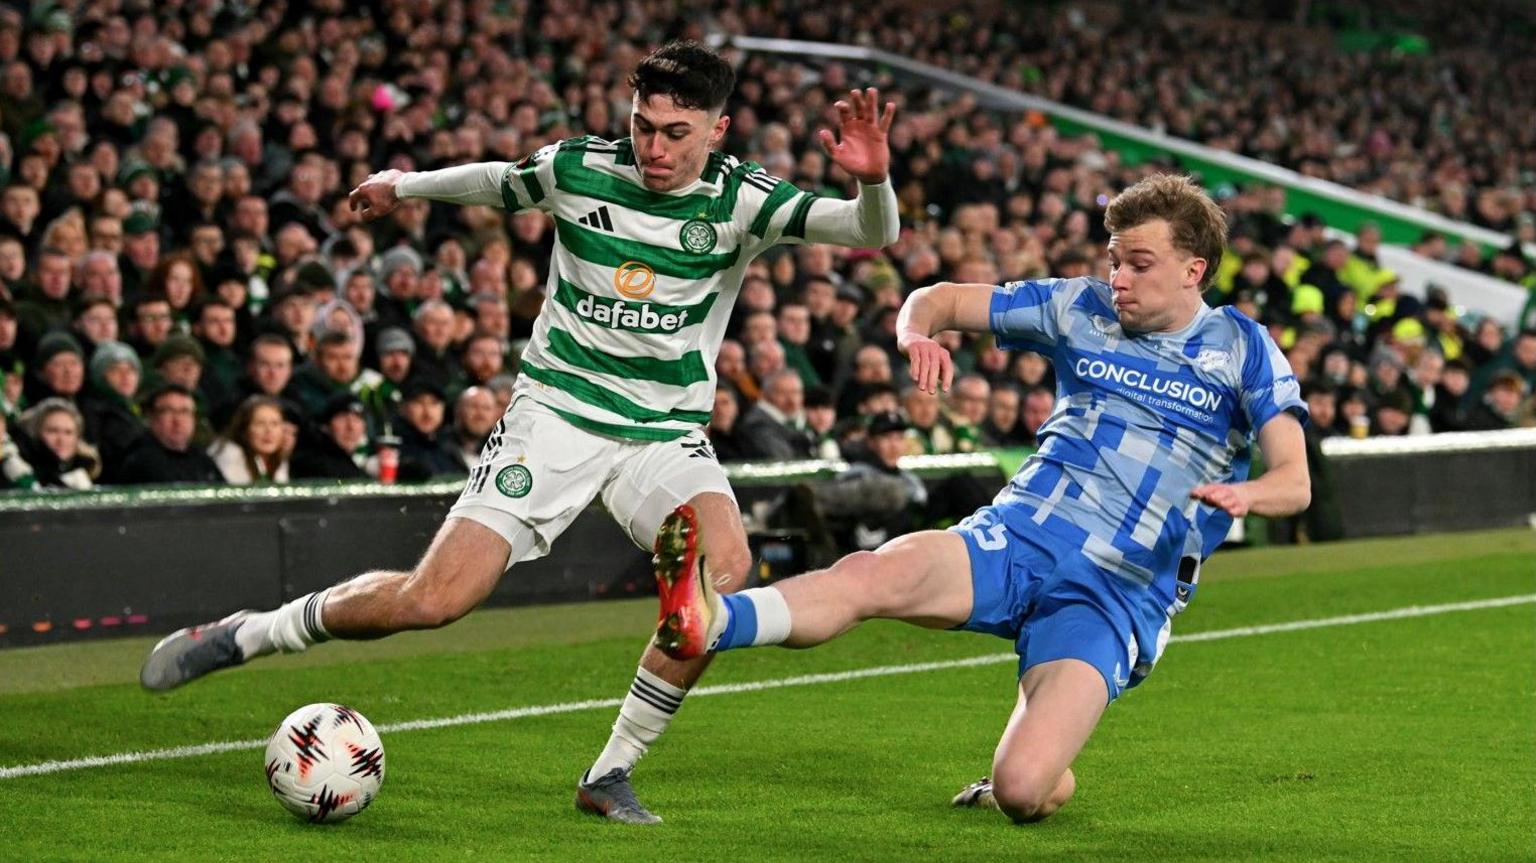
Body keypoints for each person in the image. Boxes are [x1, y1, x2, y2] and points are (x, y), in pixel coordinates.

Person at [139, 41, 900, 824]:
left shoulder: (745, 200)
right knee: (432, 600)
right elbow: (497, 181)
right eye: (644, 126)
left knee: (721, 577)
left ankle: (609, 772)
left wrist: (873, 176)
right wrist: (402, 185)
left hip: (665, 432)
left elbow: (868, 233)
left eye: (677, 131)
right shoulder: (578, 170)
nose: (655, 147)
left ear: (718, 130)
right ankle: (251, 633)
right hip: (556, 417)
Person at [646, 174, 1310, 823]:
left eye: (1139, 264)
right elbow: (935, 298)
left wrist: (1248, 492)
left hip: (1117, 587)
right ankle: (713, 618)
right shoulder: (1076, 306)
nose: (1119, 279)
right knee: (875, 572)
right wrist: (915, 334)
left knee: (1023, 789)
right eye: (1114, 262)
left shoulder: (1243, 348)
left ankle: (1044, 767)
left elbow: (1295, 481)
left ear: (1194, 270)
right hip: (1020, 534)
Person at [116, 383, 225, 485]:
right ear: (151, 417)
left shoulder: (200, 457)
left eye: (185, 412)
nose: (178, 420)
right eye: (168, 411)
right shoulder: (140, 461)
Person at [209, 394, 293, 484]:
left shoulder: (279, 458)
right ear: (244, 429)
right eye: (260, 423)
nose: (269, 431)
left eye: (275, 424)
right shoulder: (230, 454)